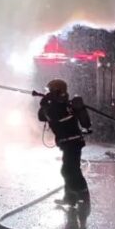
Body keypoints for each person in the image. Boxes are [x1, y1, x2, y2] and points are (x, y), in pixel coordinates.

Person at [37, 78, 92, 207]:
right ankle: (70, 198)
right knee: (69, 170)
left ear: (57, 91)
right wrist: (45, 104)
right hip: (66, 143)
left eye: (50, 91)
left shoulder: (67, 106)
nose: (48, 93)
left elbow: (56, 116)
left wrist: (46, 104)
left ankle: (84, 197)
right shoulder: (54, 105)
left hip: (73, 142)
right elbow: (41, 117)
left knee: (70, 170)